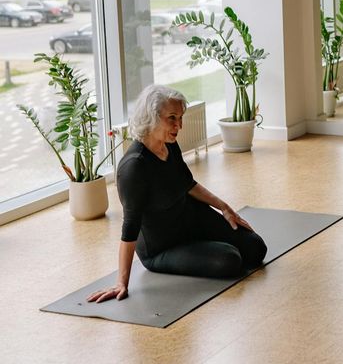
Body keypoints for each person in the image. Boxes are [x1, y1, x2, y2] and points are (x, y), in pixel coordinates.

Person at [87, 85, 267, 303]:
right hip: (162, 247)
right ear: (151, 117)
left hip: (190, 221)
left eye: (181, 117)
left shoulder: (170, 145)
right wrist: (121, 282)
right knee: (229, 260)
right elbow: (130, 226)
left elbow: (188, 184)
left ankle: (204, 243)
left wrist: (225, 208)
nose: (179, 126)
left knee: (256, 248)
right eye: (172, 118)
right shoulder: (134, 167)